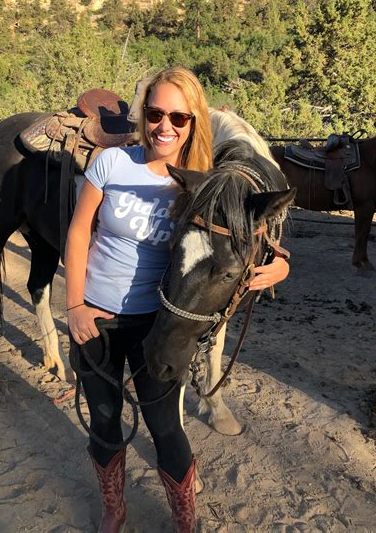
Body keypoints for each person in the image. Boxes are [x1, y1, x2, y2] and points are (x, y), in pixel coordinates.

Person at [65, 66, 289, 533]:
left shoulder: (207, 182)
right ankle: (114, 508)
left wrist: (282, 263)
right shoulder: (111, 164)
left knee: (166, 427)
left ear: (194, 121)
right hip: (97, 317)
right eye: (155, 113)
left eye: (179, 117)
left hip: (159, 323)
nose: (164, 126)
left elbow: (256, 229)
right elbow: (79, 229)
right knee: (104, 421)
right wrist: (74, 306)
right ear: (143, 114)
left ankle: (185, 518)